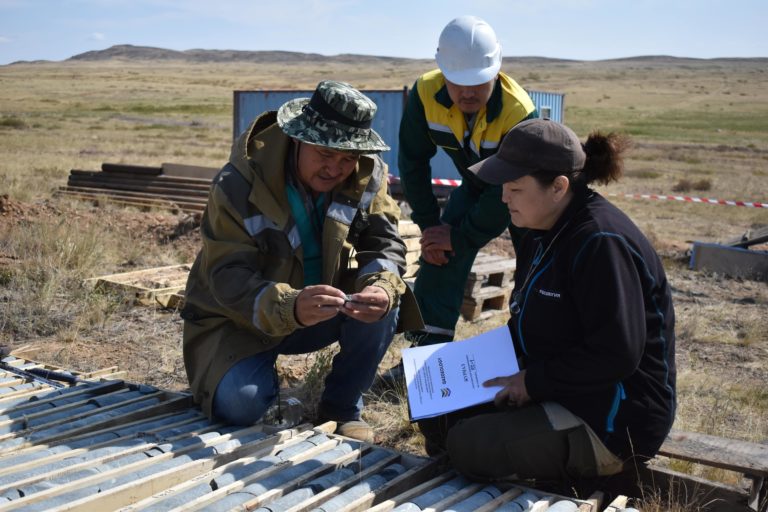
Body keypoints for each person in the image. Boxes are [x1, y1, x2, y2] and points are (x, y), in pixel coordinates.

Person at [181, 80, 421, 443]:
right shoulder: (237, 184)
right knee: (240, 406)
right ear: (298, 138)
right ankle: (261, 385)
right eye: (325, 154)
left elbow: (384, 241)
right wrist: (290, 306)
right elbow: (227, 276)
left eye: (347, 158)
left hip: (321, 310)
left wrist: (382, 287)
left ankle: (341, 408)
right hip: (239, 319)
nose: (335, 169)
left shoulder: (367, 174)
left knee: (386, 302)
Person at [443, 118, 676, 490]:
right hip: (562, 387)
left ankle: (592, 474)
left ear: (558, 187)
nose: (505, 198)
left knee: (466, 444)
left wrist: (533, 383)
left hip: (612, 419)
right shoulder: (544, 230)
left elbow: (617, 354)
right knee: (438, 412)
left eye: (515, 188)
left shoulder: (600, 243)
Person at [397, 15, 538, 348]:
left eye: (478, 82)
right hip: (477, 181)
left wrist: (461, 236)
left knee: (536, 265)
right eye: (457, 81)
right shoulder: (425, 93)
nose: (468, 92)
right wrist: (432, 228)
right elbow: (413, 162)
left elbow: (506, 192)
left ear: (496, 72)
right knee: (437, 253)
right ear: (443, 72)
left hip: (527, 191)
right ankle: (426, 351)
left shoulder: (519, 112)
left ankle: (530, 352)